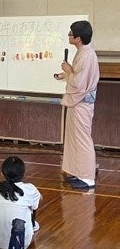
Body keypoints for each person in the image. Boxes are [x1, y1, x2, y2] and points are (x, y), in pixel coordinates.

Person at [54, 20, 99, 189]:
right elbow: (79, 76)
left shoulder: (87, 55)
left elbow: (80, 83)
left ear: (78, 38)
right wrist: (65, 73)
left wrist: (68, 71)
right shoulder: (83, 52)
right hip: (77, 103)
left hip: (82, 104)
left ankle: (88, 177)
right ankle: (79, 173)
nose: (69, 35)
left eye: (71, 33)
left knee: (82, 139)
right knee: (75, 139)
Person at [0, 156, 41, 249]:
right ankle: (31, 226)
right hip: (20, 241)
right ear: (23, 174)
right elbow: (35, 207)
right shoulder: (30, 189)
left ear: (2, 173)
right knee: (30, 210)